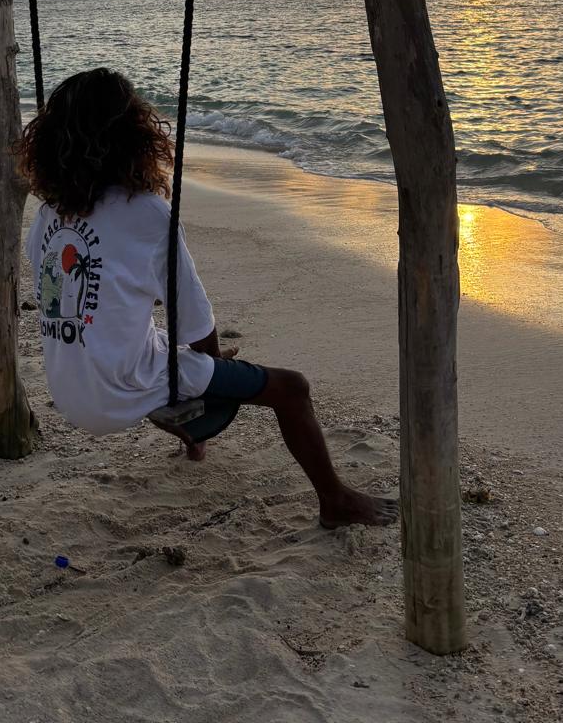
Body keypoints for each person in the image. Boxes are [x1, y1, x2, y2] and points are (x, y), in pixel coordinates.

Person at [20, 67, 396, 530]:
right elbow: (197, 326)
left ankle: (191, 439)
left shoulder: (45, 218)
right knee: (290, 388)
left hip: (69, 388)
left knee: (162, 346)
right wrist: (214, 373)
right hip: (117, 392)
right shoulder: (147, 214)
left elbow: (79, 306)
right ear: (134, 134)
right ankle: (335, 500)